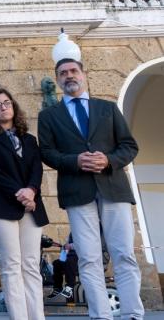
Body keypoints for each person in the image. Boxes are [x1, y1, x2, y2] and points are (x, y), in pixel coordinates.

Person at [39, 58, 143, 320]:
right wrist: (75, 161)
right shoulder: (49, 116)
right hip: (77, 192)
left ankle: (132, 313)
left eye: (74, 71)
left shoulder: (107, 108)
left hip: (113, 187)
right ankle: (100, 315)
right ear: (58, 79)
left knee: (124, 254)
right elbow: (48, 153)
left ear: (84, 74)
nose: (69, 76)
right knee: (88, 258)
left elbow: (129, 146)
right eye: (63, 73)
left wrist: (109, 160)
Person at [0, 88, 48, 320]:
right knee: (11, 265)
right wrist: (19, 192)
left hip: (31, 206)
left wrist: (32, 190)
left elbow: (37, 167)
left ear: (14, 106)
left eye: (7, 102)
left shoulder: (29, 139)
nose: (3, 107)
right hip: (0, 206)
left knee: (31, 265)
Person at [48, 233, 78, 300]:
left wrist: (70, 246)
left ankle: (70, 286)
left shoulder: (85, 232)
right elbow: (67, 244)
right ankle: (58, 287)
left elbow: (85, 245)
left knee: (69, 261)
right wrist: (64, 248)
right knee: (56, 263)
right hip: (70, 257)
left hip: (80, 259)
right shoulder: (72, 233)